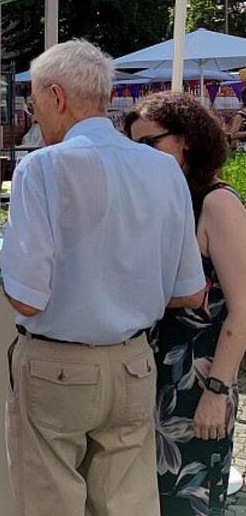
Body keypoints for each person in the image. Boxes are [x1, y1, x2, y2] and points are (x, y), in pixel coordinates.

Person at [1, 40, 206, 516]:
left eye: (34, 103)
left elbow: (26, 298)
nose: (35, 116)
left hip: (57, 365)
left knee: (50, 503)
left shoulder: (42, 169)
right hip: (134, 362)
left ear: (57, 96)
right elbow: (190, 290)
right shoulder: (163, 169)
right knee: (129, 506)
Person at [125, 92, 246, 515]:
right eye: (133, 146)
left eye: (150, 143)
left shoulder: (217, 203)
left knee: (190, 503)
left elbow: (244, 309)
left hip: (199, 386)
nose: (141, 155)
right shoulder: (170, 203)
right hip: (153, 384)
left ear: (187, 140)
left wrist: (219, 389)